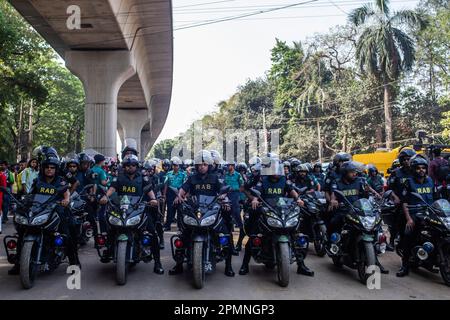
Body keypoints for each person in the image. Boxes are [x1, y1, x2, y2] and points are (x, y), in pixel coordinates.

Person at [239, 155, 314, 277]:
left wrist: (298, 199)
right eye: (275, 169)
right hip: (265, 210)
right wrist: (254, 200)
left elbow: (291, 190)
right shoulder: (263, 179)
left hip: (281, 209)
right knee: (254, 234)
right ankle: (244, 265)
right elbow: (256, 191)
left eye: (279, 168)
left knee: (294, 234)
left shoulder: (284, 179)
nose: (277, 171)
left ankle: (301, 265)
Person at [9, 153, 79, 275]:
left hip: (57, 210)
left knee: (66, 233)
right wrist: (23, 201)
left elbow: (66, 193)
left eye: (52, 168)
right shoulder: (38, 181)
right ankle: (18, 264)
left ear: (56, 169)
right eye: (47, 167)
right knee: (22, 232)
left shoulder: (61, 181)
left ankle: (74, 261)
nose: (49, 170)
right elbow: (30, 196)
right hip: (40, 210)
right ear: (43, 168)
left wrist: (66, 200)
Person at [169, 150, 235, 277]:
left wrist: (224, 199)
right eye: (199, 164)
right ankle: (178, 265)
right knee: (183, 234)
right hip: (195, 210)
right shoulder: (192, 178)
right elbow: (183, 189)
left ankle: (229, 265)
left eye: (204, 164)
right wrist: (179, 196)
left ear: (209, 165)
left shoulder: (215, 178)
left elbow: (223, 190)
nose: (201, 167)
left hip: (211, 209)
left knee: (226, 233)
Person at [99, 154, 163, 274]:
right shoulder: (119, 177)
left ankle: (158, 263)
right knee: (110, 228)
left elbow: (148, 190)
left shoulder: (143, 178)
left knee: (152, 233)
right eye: (127, 165)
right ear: (124, 167)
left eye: (133, 165)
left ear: (136, 166)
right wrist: (105, 196)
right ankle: (109, 249)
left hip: (139, 208)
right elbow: (112, 188)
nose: (130, 167)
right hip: (121, 209)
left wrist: (153, 200)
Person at [396, 155, 436, 277]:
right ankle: (405, 265)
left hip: (429, 213)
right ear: (414, 169)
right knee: (409, 235)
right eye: (418, 168)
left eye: (423, 168)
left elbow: (436, 198)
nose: (421, 170)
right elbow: (405, 202)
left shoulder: (430, 181)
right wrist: (408, 219)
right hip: (414, 213)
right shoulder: (409, 182)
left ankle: (431, 260)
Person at [223, 161, 245, 253]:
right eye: (227, 165)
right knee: (227, 224)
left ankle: (239, 244)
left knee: (239, 224)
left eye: (229, 165)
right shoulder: (225, 175)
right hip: (226, 199)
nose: (228, 167)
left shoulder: (238, 175)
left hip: (235, 198)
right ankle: (230, 247)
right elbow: (223, 186)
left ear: (232, 166)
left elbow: (242, 186)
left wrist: (235, 190)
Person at [163, 156, 187, 231]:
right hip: (170, 193)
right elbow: (166, 184)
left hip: (180, 193)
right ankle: (167, 225)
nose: (175, 167)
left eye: (176, 165)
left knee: (180, 210)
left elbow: (185, 185)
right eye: (173, 165)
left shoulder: (183, 174)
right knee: (170, 210)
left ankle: (180, 226)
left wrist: (182, 195)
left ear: (179, 166)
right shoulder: (168, 174)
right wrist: (164, 195)